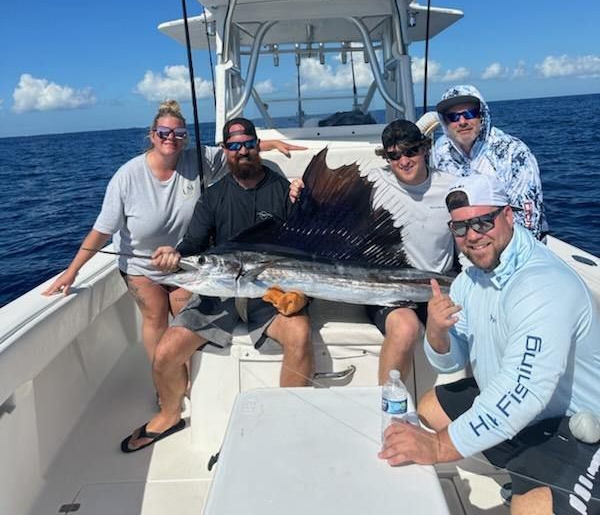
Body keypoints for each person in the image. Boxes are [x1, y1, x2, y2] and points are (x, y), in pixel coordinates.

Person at [379, 174, 600, 515]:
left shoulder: (542, 284)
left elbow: (523, 391)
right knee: (430, 407)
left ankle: (536, 475)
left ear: (508, 216)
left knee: (531, 509)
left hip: (577, 425)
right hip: (527, 412)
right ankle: (524, 462)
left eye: (484, 221)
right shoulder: (470, 279)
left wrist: (439, 447)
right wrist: (437, 332)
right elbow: (451, 362)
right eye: (461, 227)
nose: (473, 235)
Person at [43, 101, 304, 371]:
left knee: (182, 316)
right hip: (141, 263)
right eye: (164, 132)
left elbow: (239, 150)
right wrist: (72, 270)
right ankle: (163, 382)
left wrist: (273, 147)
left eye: (179, 134)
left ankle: (186, 378)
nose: (171, 138)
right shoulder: (127, 177)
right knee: (155, 317)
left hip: (185, 258)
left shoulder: (198, 159)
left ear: (186, 138)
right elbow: (102, 230)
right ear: (152, 134)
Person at [121, 117, 314, 452]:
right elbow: (194, 242)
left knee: (299, 334)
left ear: (257, 145)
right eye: (234, 145)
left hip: (268, 297)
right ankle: (170, 414)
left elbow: (306, 242)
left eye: (248, 144)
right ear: (225, 150)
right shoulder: (212, 197)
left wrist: (305, 198)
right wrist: (175, 254)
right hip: (220, 295)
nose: (242, 151)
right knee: (165, 352)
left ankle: (288, 419)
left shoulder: (283, 190)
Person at [365, 119, 457, 384]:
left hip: (438, 286)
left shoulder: (451, 187)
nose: (403, 161)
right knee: (406, 328)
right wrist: (298, 187)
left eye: (410, 151)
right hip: (388, 289)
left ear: (425, 149)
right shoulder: (374, 182)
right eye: (393, 155)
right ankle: (388, 410)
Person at [431, 84, 547, 238]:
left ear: (482, 115)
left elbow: (528, 217)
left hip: (511, 248)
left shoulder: (513, 152)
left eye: (469, 114)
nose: (462, 121)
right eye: (453, 117)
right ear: (445, 122)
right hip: (464, 241)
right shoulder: (440, 150)